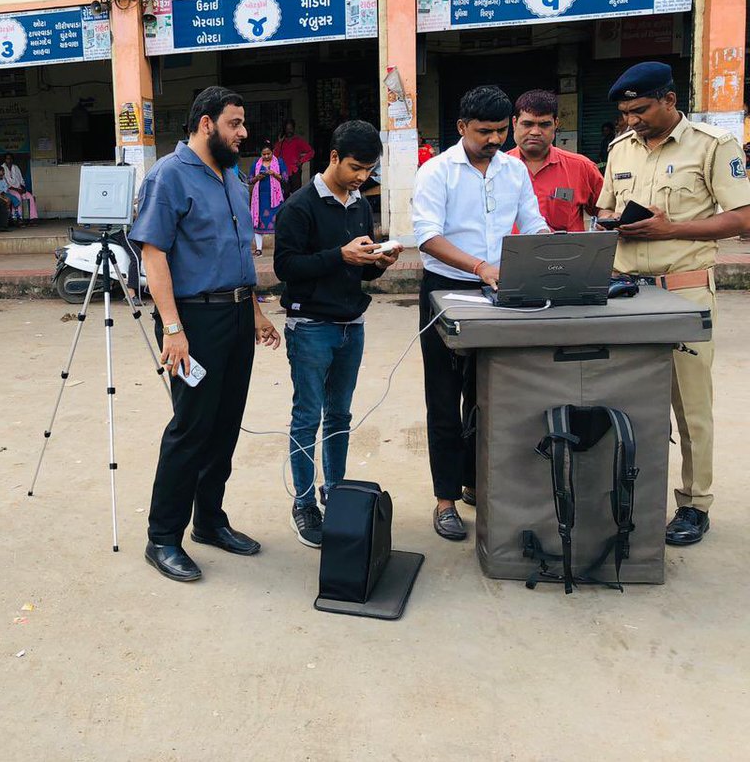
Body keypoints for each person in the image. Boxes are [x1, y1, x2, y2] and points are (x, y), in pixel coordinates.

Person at [131, 85, 281, 583]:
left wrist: (256, 310)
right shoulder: (169, 176)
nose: (243, 133)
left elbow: (238, 254)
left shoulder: (233, 176)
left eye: (243, 124)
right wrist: (172, 328)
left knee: (225, 425)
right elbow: (153, 254)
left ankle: (210, 521)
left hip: (236, 317)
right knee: (191, 428)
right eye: (234, 124)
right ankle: (163, 537)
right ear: (205, 123)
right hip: (193, 322)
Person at [597, 61, 750, 546]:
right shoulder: (621, 148)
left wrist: (672, 228)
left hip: (683, 290)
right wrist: (611, 219)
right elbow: (603, 204)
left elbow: (743, 217)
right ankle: (626, 496)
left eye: (640, 110)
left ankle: (694, 503)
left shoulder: (712, 145)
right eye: (625, 113)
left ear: (668, 99)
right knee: (624, 401)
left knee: (690, 406)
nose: (631, 121)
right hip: (624, 290)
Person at [411, 86, 548, 541]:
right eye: (483, 131)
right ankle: (445, 499)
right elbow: (428, 237)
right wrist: (478, 267)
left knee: (488, 394)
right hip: (448, 291)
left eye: (500, 130)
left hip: (499, 292)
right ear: (461, 127)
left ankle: (475, 482)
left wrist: (551, 252)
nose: (494, 139)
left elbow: (532, 223)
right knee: (445, 397)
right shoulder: (436, 172)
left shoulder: (513, 171)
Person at [273, 120, 401, 547]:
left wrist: (378, 261)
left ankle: (336, 490)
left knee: (341, 417)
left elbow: (356, 269)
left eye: (369, 169)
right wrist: (339, 256)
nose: (362, 177)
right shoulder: (299, 206)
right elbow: (285, 269)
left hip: (351, 324)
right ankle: (304, 502)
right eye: (355, 167)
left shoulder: (359, 204)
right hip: (311, 326)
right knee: (308, 417)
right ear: (333, 158)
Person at [509, 89, 604, 232]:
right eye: (527, 124)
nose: (535, 132)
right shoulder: (496, 169)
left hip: (568, 253)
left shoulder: (581, 167)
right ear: (515, 123)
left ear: (556, 124)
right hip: (509, 254)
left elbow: (605, 209)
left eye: (544, 124)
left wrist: (605, 219)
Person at [249, 142, 286, 256]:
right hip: (259, 198)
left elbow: (285, 178)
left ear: (272, 152)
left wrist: (273, 173)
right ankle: (259, 249)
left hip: (275, 198)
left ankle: (279, 248)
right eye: (263, 154)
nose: (266, 156)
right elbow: (250, 180)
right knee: (258, 222)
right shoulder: (256, 163)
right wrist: (258, 177)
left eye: (268, 154)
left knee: (277, 222)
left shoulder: (279, 162)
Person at [274, 118, 314, 194]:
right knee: (284, 194)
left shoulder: (298, 141)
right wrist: (279, 142)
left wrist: (301, 161)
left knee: (296, 194)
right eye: (287, 129)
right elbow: (275, 155)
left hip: (295, 171)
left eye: (291, 129)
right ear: (284, 129)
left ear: (293, 129)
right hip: (283, 172)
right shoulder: (281, 143)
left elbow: (311, 152)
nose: (289, 131)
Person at [1, 153, 38, 220]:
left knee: (29, 196)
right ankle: (18, 218)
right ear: (5, 160)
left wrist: (23, 188)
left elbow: (21, 179)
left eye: (11, 159)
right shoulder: (2, 168)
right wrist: (17, 190)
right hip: (9, 189)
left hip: (19, 188)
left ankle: (31, 217)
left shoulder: (16, 167)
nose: (9, 160)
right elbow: (4, 184)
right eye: (7, 159)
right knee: (17, 196)